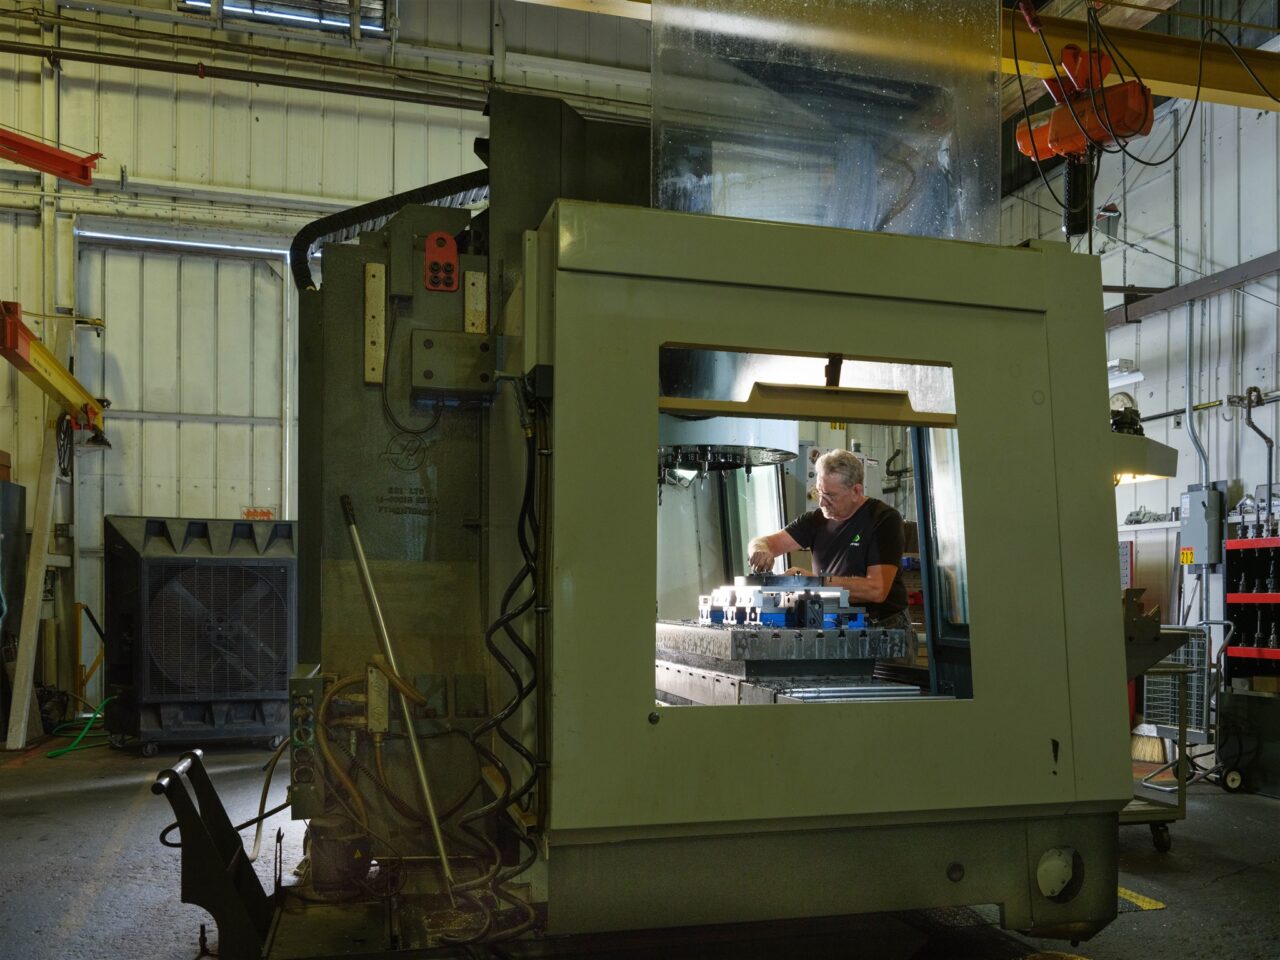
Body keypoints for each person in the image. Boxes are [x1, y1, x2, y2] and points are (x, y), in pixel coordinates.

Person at [747, 448, 915, 657]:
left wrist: (811, 582)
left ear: (856, 491)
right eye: (819, 491)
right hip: (837, 626)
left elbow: (876, 590)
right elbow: (765, 542)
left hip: (884, 629)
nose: (821, 502)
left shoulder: (883, 520)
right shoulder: (815, 520)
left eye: (830, 496)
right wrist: (760, 550)